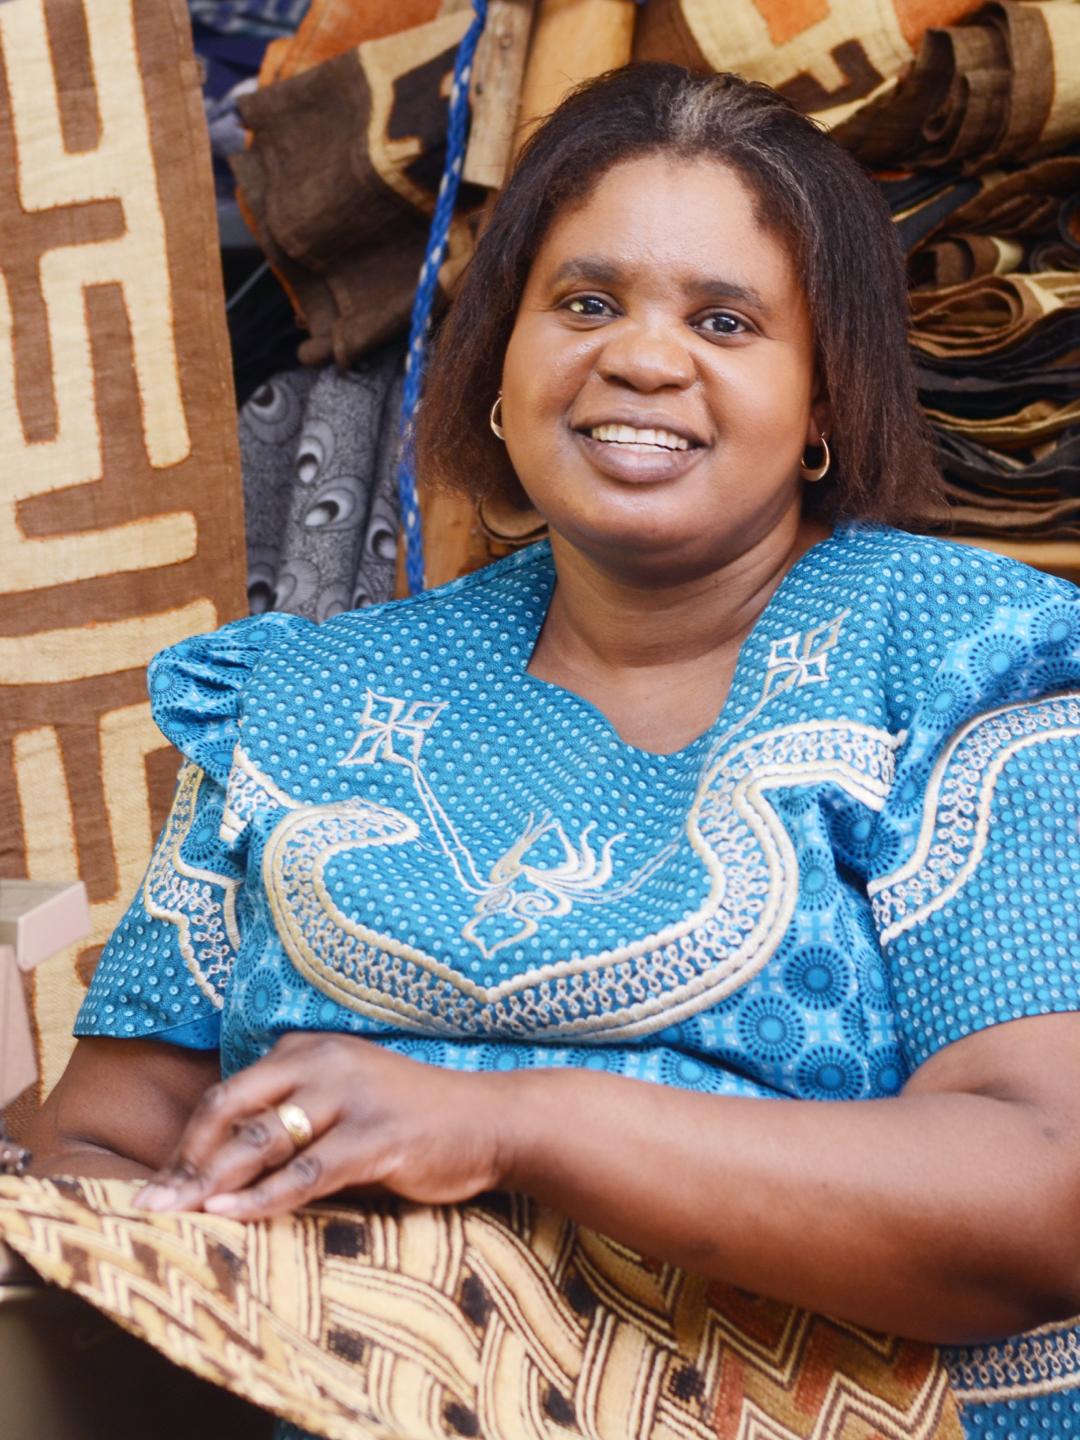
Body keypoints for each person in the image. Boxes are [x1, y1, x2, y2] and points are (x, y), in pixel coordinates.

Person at [23, 63, 1080, 1438]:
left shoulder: (957, 655)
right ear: (502, 369)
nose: (642, 357)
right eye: (584, 302)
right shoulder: (309, 696)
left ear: (823, 399)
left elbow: (1043, 1191)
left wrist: (508, 1125)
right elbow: (100, 1142)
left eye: (726, 318)